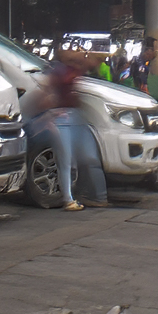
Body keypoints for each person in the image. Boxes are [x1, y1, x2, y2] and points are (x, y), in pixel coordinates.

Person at [31, 49, 108, 211]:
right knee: (66, 161)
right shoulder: (59, 72)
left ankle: (81, 197)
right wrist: (48, 114)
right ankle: (68, 199)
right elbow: (46, 93)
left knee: (80, 159)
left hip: (72, 117)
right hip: (62, 118)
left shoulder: (73, 70)